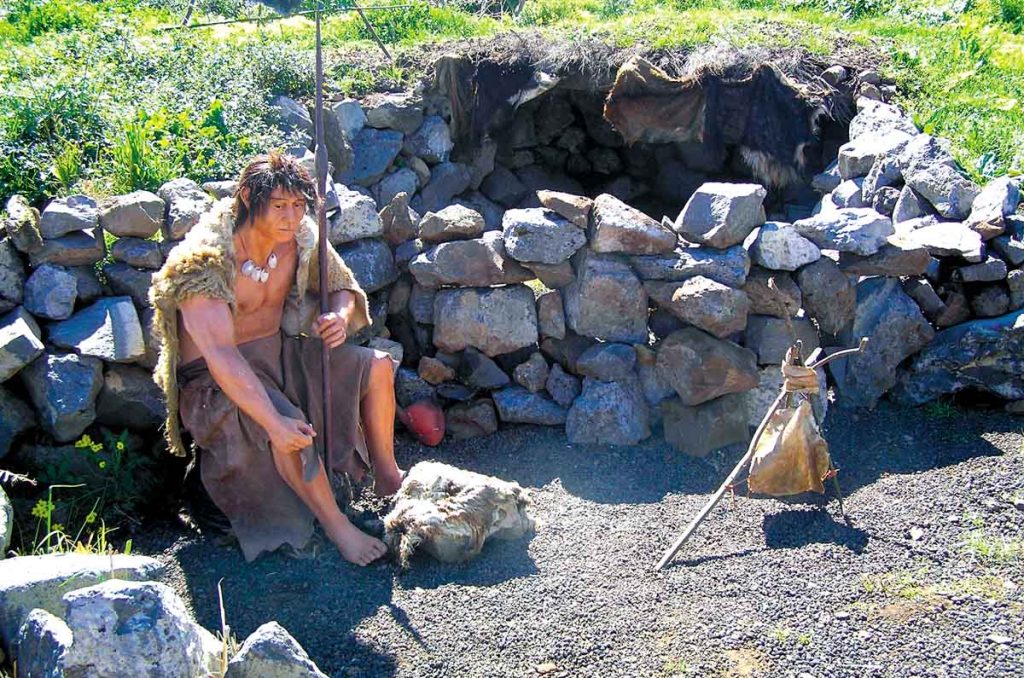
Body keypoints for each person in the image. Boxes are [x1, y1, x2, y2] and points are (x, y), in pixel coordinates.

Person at [149, 152, 402, 565]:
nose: (291, 216)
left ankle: (389, 480)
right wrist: (274, 422)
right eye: (280, 206)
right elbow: (221, 355)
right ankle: (339, 527)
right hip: (216, 378)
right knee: (287, 426)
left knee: (375, 365)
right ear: (249, 197)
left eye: (298, 206)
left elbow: (340, 285)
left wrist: (338, 316)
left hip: (280, 352)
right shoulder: (203, 261)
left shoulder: (300, 238)